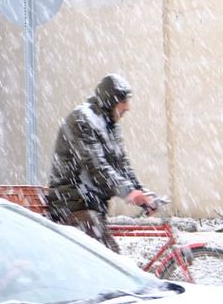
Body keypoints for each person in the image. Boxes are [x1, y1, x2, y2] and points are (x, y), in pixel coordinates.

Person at [46, 73, 153, 253]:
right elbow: (95, 166)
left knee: (110, 260)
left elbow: (121, 165)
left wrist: (141, 193)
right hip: (73, 205)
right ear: (111, 101)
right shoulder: (82, 120)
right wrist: (128, 192)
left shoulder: (110, 125)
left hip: (91, 205)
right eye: (124, 101)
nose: (128, 107)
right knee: (111, 259)